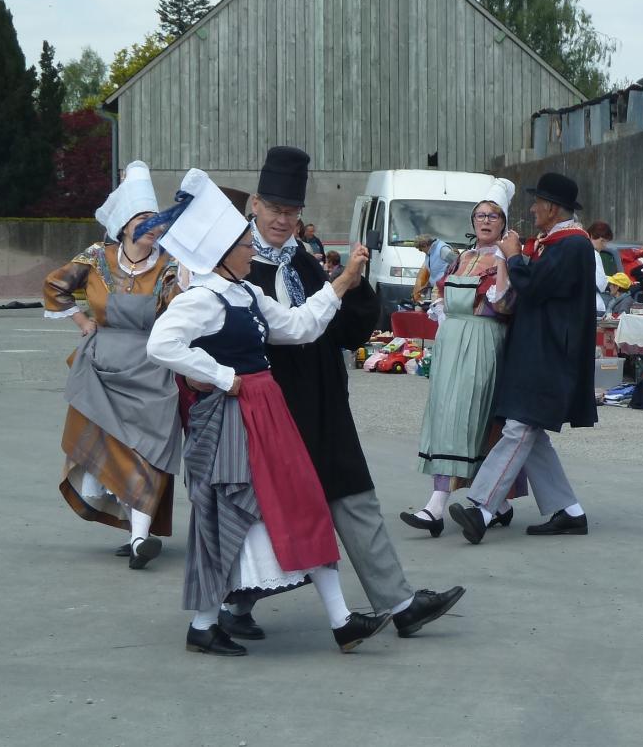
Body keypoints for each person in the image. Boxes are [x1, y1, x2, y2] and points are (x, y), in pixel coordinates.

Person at [147, 168, 391, 656]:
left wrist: (341, 284)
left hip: (265, 412)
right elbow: (160, 343)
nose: (249, 247)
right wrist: (221, 376)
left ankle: (338, 621)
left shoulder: (245, 293)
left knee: (297, 501)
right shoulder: (203, 298)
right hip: (234, 417)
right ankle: (208, 623)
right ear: (222, 252)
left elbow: (300, 327)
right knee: (235, 510)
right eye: (242, 241)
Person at [242, 146, 465, 640]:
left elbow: (342, 331)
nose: (283, 220)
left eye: (292, 211)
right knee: (261, 507)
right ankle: (233, 602)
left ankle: (400, 603)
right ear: (255, 204)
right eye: (275, 209)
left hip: (323, 401)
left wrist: (357, 286)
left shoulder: (300, 260)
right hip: (270, 405)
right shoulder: (237, 264)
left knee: (354, 496)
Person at [44, 160, 182, 569]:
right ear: (124, 224)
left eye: (154, 218)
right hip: (101, 366)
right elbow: (55, 285)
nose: (152, 225)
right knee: (115, 449)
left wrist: (187, 287)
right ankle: (138, 537)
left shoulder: (170, 265)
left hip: (152, 367)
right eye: (143, 218)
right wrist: (83, 320)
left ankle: (140, 538)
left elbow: (178, 309)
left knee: (149, 453)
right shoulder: (96, 257)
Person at [447, 171, 597, 544]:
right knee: (530, 433)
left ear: (552, 207)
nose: (531, 209)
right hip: (537, 350)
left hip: (550, 354)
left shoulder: (573, 245)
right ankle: (568, 510)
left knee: (519, 429)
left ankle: (480, 507)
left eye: (536, 203)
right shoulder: (554, 243)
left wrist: (514, 257)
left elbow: (536, 287)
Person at [402, 178, 527, 536]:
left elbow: (505, 304)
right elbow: (441, 292)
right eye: (481, 215)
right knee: (444, 415)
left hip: (483, 341)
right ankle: (493, 502)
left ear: (504, 223)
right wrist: (440, 308)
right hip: (452, 341)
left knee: (468, 417)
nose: (486, 221)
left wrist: (505, 259)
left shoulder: (507, 260)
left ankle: (438, 505)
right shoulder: (463, 257)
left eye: (494, 215)